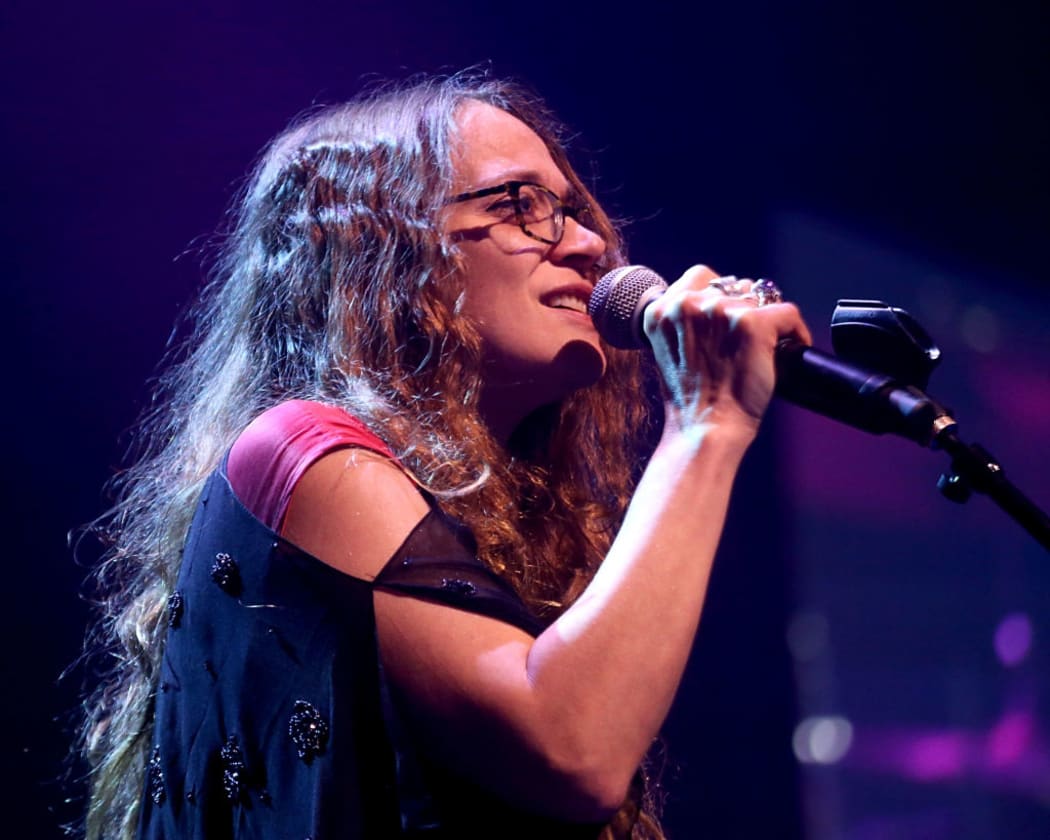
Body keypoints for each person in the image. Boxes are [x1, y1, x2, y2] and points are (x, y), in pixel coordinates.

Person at [77, 72, 810, 839]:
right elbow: (571, 750)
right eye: (517, 204)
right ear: (381, 248)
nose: (591, 245)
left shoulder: (510, 517)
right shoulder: (299, 451)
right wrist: (706, 423)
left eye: (573, 210)